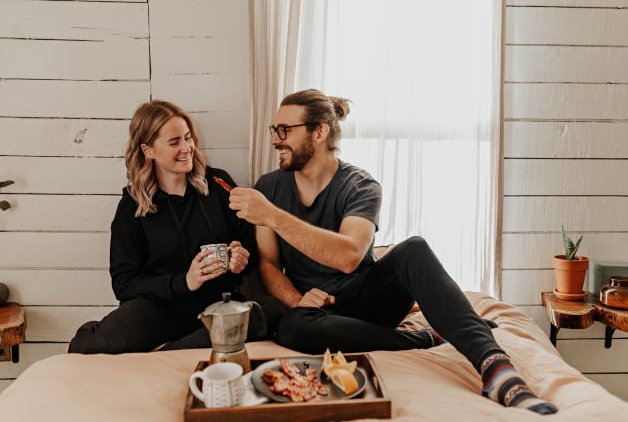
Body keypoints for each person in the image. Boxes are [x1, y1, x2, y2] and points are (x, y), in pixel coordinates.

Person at [228, 88, 557, 415]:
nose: (275, 139)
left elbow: (349, 257)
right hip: (315, 314)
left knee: (413, 250)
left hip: (367, 301)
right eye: (274, 130)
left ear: (319, 132)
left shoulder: (360, 186)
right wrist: (297, 300)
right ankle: (426, 339)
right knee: (290, 328)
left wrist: (272, 215)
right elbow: (269, 264)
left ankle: (498, 370)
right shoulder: (269, 188)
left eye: (285, 130)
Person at [68, 99, 258, 354]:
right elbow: (124, 284)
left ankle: (170, 351)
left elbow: (248, 243)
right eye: (174, 142)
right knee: (91, 345)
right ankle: (186, 345)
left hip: (217, 305)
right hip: (161, 309)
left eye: (188, 138)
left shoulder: (218, 183)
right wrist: (185, 281)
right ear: (148, 150)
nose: (187, 148)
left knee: (265, 315)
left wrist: (241, 257)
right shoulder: (132, 207)